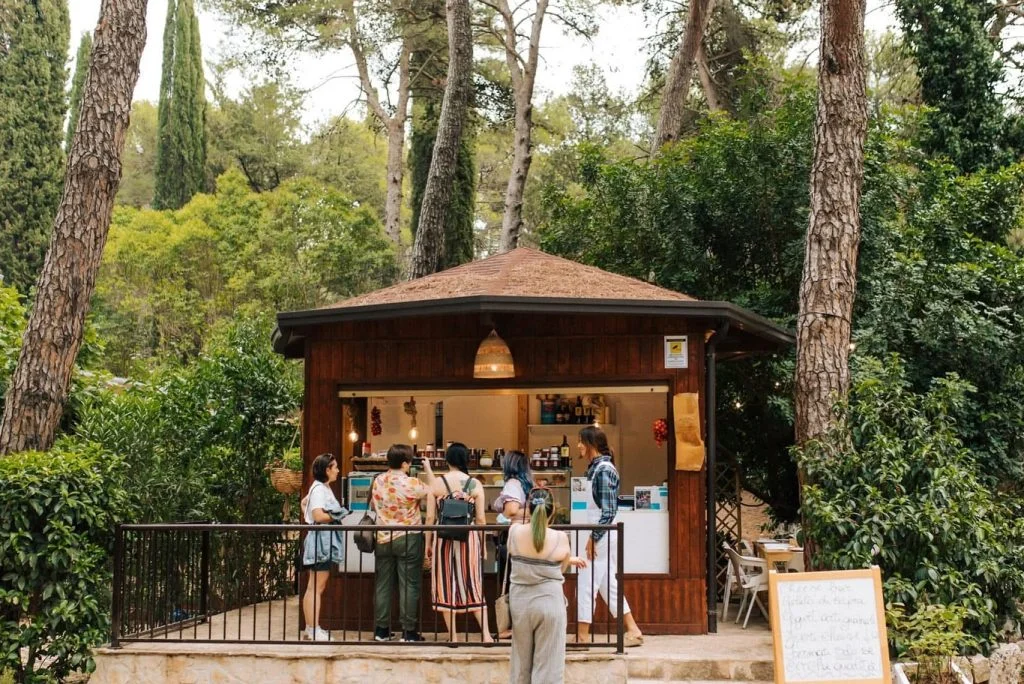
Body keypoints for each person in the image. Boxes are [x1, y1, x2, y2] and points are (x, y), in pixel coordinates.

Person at [507, 488, 587, 684]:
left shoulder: (514, 532)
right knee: (549, 668)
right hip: (550, 602)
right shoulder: (560, 538)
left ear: (529, 509)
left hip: (520, 604)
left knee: (520, 664)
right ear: (551, 512)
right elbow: (561, 568)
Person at [575, 426, 644, 647]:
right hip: (602, 532)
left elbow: (608, 510)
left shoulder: (603, 470)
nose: (577, 446)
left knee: (586, 580)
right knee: (607, 584)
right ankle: (633, 629)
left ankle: (583, 636)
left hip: (601, 533)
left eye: (580, 441)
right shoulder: (598, 468)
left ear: (590, 445)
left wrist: (594, 537)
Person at [425, 442, 492, 642]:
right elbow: (480, 519)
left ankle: (453, 636)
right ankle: (486, 635)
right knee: (473, 581)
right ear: (466, 459)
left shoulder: (437, 484)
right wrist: (482, 544)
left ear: (447, 460)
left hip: (442, 538)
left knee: (446, 583)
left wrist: (427, 544)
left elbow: (429, 518)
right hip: (468, 537)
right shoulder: (474, 484)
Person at [371, 443, 435, 642]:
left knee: (383, 584)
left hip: (382, 536)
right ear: (406, 463)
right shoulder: (412, 483)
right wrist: (428, 469)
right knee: (409, 584)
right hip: (408, 537)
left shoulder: (378, 481)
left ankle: (381, 630)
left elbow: (374, 505)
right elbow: (436, 490)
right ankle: (408, 632)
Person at [301, 453, 347, 641]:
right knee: (316, 587)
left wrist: (309, 518)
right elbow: (318, 515)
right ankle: (313, 629)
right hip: (322, 540)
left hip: (322, 539)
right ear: (327, 469)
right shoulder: (320, 489)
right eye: (334, 467)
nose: (337, 470)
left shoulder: (321, 488)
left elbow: (305, 503)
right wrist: (337, 515)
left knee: (315, 585)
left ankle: (310, 628)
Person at [492, 450, 533, 638]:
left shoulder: (512, 484)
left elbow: (511, 510)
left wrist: (507, 513)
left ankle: (509, 627)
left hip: (515, 536)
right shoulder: (526, 484)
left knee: (511, 581)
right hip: (528, 535)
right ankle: (523, 625)